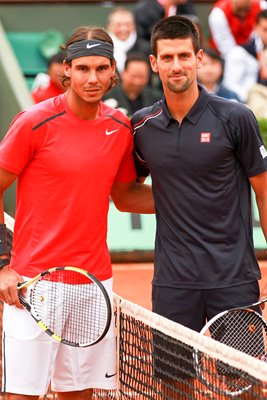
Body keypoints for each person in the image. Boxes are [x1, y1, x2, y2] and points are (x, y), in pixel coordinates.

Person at [0, 25, 154, 400]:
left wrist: (197, 198)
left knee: (80, 394)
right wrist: (3, 262)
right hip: (33, 285)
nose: (92, 78)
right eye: (83, 68)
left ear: (113, 71)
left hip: (94, 285)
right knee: (21, 395)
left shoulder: (120, 129)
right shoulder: (33, 123)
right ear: (66, 69)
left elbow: (126, 197)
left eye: (101, 68)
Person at [132, 15, 267, 396]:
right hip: (174, 283)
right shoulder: (142, 126)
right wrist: (177, 199)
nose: (177, 65)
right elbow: (124, 195)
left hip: (234, 279)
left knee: (245, 385)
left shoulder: (235, 117)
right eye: (168, 57)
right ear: (155, 62)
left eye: (184, 56)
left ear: (199, 58)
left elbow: (263, 190)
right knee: (174, 386)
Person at [223, 9, 267, 103]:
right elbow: (230, 85)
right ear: (256, 28)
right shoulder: (239, 52)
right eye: (265, 30)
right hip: (248, 104)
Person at [103, 52, 162, 117]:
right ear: (123, 74)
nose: (137, 82)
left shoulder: (156, 98)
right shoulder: (108, 96)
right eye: (133, 76)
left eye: (142, 77)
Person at [106, 7, 151, 74]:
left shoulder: (146, 49)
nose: (124, 29)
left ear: (134, 26)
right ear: (110, 26)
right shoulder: (104, 48)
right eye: (119, 25)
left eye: (128, 24)